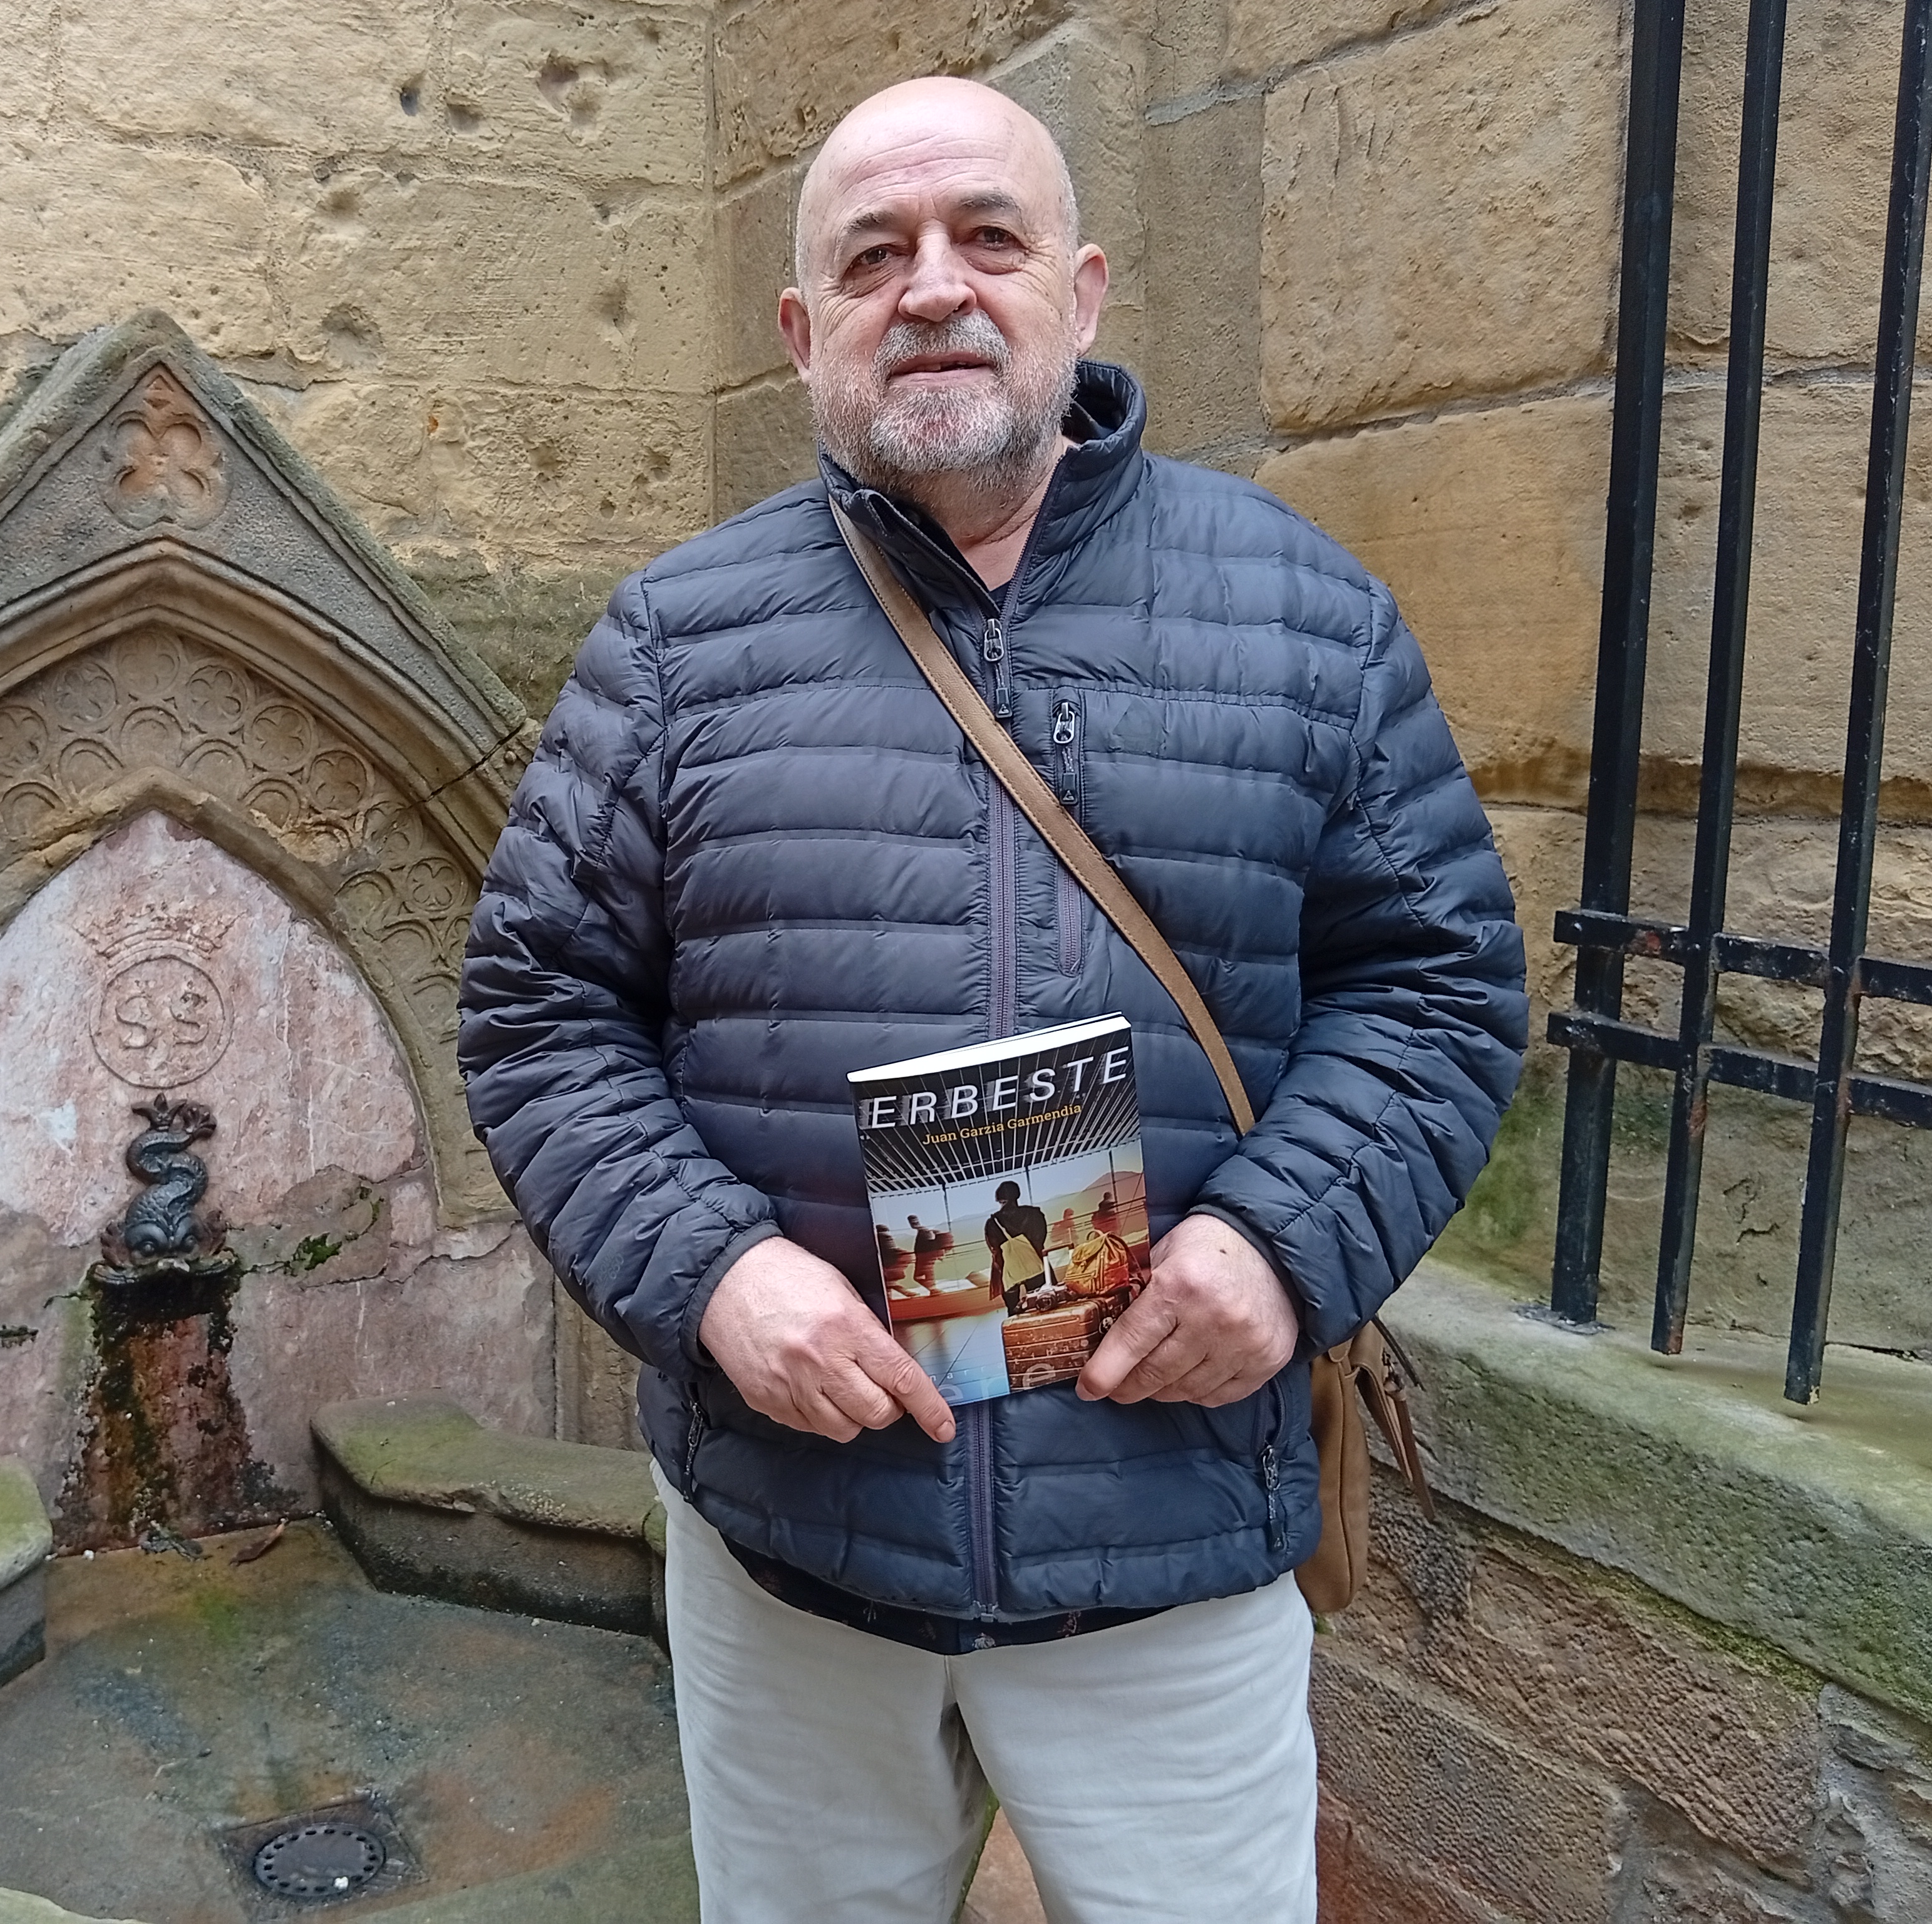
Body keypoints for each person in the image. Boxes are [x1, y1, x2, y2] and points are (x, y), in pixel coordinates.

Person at [458, 73, 1525, 1924]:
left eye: (986, 237)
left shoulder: (1304, 615)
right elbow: (539, 1008)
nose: (932, 286)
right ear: (802, 329)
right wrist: (715, 1275)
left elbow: (1435, 982)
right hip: (797, 1543)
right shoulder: (676, 642)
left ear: (1079, 291)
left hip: (1164, 1532)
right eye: (872, 255)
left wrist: (1280, 1245)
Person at [985, 1180, 1050, 1310]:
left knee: (1013, 1310)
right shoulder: (1035, 1214)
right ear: (1018, 1195)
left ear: (999, 1198)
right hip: (1035, 1265)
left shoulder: (992, 1223)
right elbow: (1040, 1240)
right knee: (1043, 1304)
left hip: (1010, 1270)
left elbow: (995, 1251)